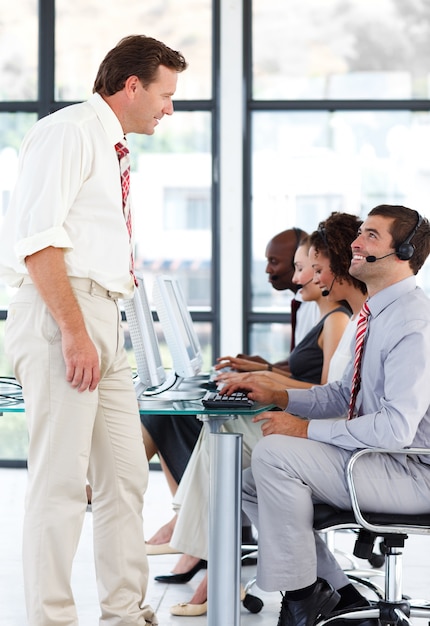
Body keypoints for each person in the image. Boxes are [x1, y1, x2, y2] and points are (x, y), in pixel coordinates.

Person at [0, 35, 187, 626]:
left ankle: (125, 613)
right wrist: (75, 331)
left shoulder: (112, 147)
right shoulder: (69, 132)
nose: (169, 108)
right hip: (65, 316)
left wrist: (97, 329)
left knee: (125, 480)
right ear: (132, 86)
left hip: (103, 314)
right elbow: (38, 240)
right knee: (61, 482)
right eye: (166, 94)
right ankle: (52, 619)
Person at [223, 204, 430, 626]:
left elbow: (394, 427)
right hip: (381, 460)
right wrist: (279, 394)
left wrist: (304, 430)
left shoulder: (413, 323)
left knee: (275, 454)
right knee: (246, 485)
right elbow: (342, 395)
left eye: (372, 235)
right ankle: (339, 593)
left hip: (413, 471)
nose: (356, 242)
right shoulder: (377, 313)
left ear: (404, 252)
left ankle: (301, 602)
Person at [165, 231, 353, 616]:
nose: (305, 279)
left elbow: (331, 394)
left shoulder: (340, 320)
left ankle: (200, 549)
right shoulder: (333, 316)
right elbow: (330, 390)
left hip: (337, 442)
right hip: (321, 428)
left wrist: (269, 381)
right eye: (304, 269)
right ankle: (325, 592)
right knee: (220, 432)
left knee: (227, 433)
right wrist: (265, 376)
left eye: (313, 269)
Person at [143, 226, 318, 551]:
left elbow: (323, 385)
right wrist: (261, 370)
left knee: (186, 423)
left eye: (285, 263)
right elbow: (307, 367)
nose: (271, 270)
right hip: (294, 413)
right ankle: (187, 528)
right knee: (175, 419)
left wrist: (264, 375)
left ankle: (194, 536)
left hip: (302, 426)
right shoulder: (313, 308)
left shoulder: (329, 314)